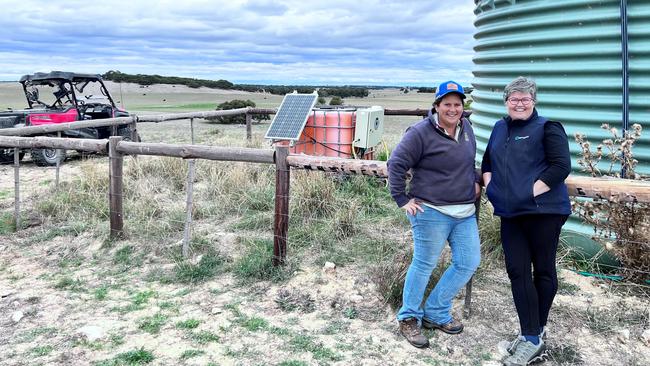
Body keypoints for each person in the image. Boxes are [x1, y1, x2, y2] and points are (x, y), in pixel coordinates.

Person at [481, 76, 571, 366]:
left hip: (544, 211)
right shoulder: (499, 127)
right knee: (517, 271)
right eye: (514, 98)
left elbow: (561, 167)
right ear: (506, 101)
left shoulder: (548, 127)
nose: (519, 103)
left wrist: (525, 193)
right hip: (511, 214)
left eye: (525, 98)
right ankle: (530, 334)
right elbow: (487, 164)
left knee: (543, 270)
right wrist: (494, 190)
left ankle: (534, 335)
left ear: (534, 101)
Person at [388, 80, 481, 348]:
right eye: (447, 104)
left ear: (463, 107)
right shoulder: (420, 133)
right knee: (424, 264)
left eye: (457, 104)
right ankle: (409, 318)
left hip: (464, 212)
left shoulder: (467, 128)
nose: (453, 109)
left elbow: (467, 162)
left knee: (468, 261)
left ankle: (436, 312)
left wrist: (474, 178)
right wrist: (401, 199)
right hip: (431, 212)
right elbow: (396, 164)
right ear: (437, 106)